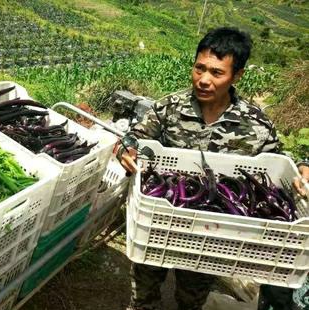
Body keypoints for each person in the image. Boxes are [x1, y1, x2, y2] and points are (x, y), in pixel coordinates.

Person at [114, 27, 309, 310]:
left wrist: (302, 167)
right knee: (144, 290)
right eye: (199, 68)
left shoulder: (255, 124)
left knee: (192, 297)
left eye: (217, 73)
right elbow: (133, 137)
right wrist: (125, 148)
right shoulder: (169, 107)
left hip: (211, 232)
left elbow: (278, 161)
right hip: (159, 220)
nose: (203, 80)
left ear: (237, 75)